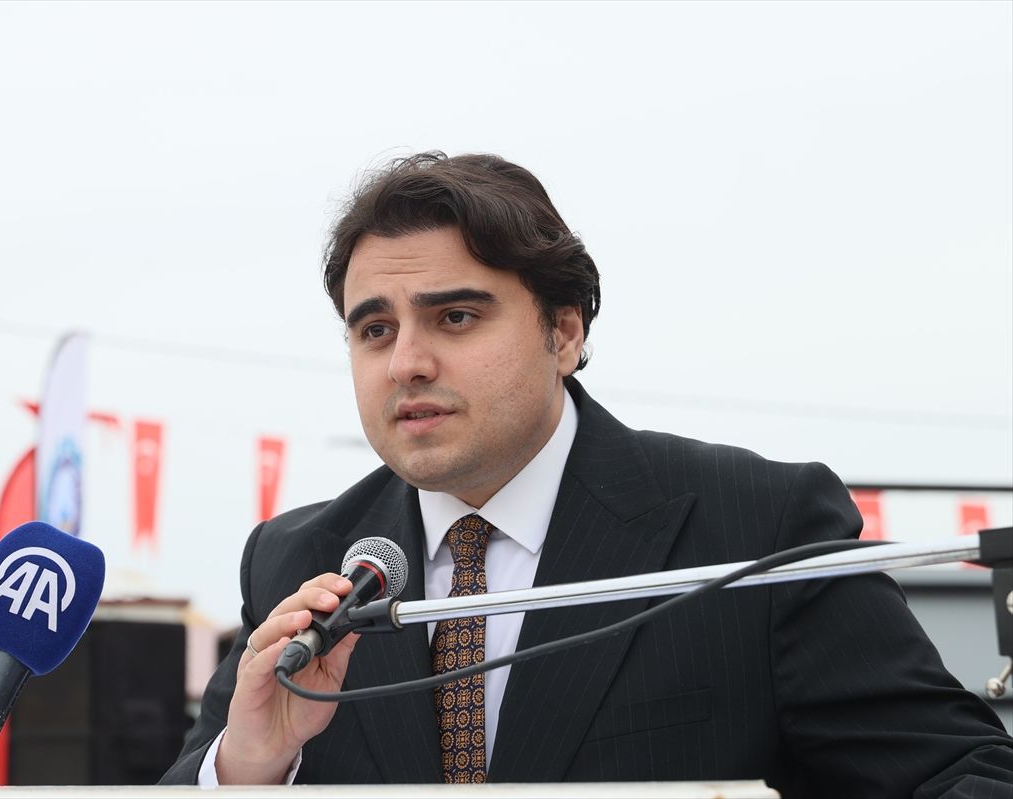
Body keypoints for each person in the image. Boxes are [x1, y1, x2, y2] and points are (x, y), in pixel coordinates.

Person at [161, 152, 1013, 796]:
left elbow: (960, 774)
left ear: (563, 332)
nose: (406, 362)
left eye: (454, 316)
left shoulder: (757, 524)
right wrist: (248, 766)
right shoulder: (297, 557)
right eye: (374, 330)